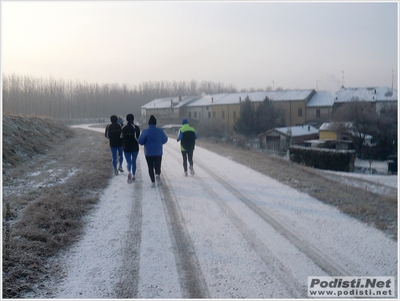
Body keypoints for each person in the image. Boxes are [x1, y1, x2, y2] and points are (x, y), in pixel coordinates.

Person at [138, 115, 168, 187]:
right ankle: (157, 174)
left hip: (149, 152)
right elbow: (165, 139)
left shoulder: (145, 131)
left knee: (150, 167)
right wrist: (160, 143)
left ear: (148, 123)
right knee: (158, 165)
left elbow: (140, 141)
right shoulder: (160, 131)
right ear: (155, 123)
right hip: (158, 151)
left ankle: (153, 182)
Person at [121, 114, 141, 183]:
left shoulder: (123, 128)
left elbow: (121, 137)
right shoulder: (136, 128)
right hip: (135, 147)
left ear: (126, 119)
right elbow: (138, 137)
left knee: (128, 162)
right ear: (133, 119)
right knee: (134, 161)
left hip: (126, 147)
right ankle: (134, 175)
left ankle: (129, 172)